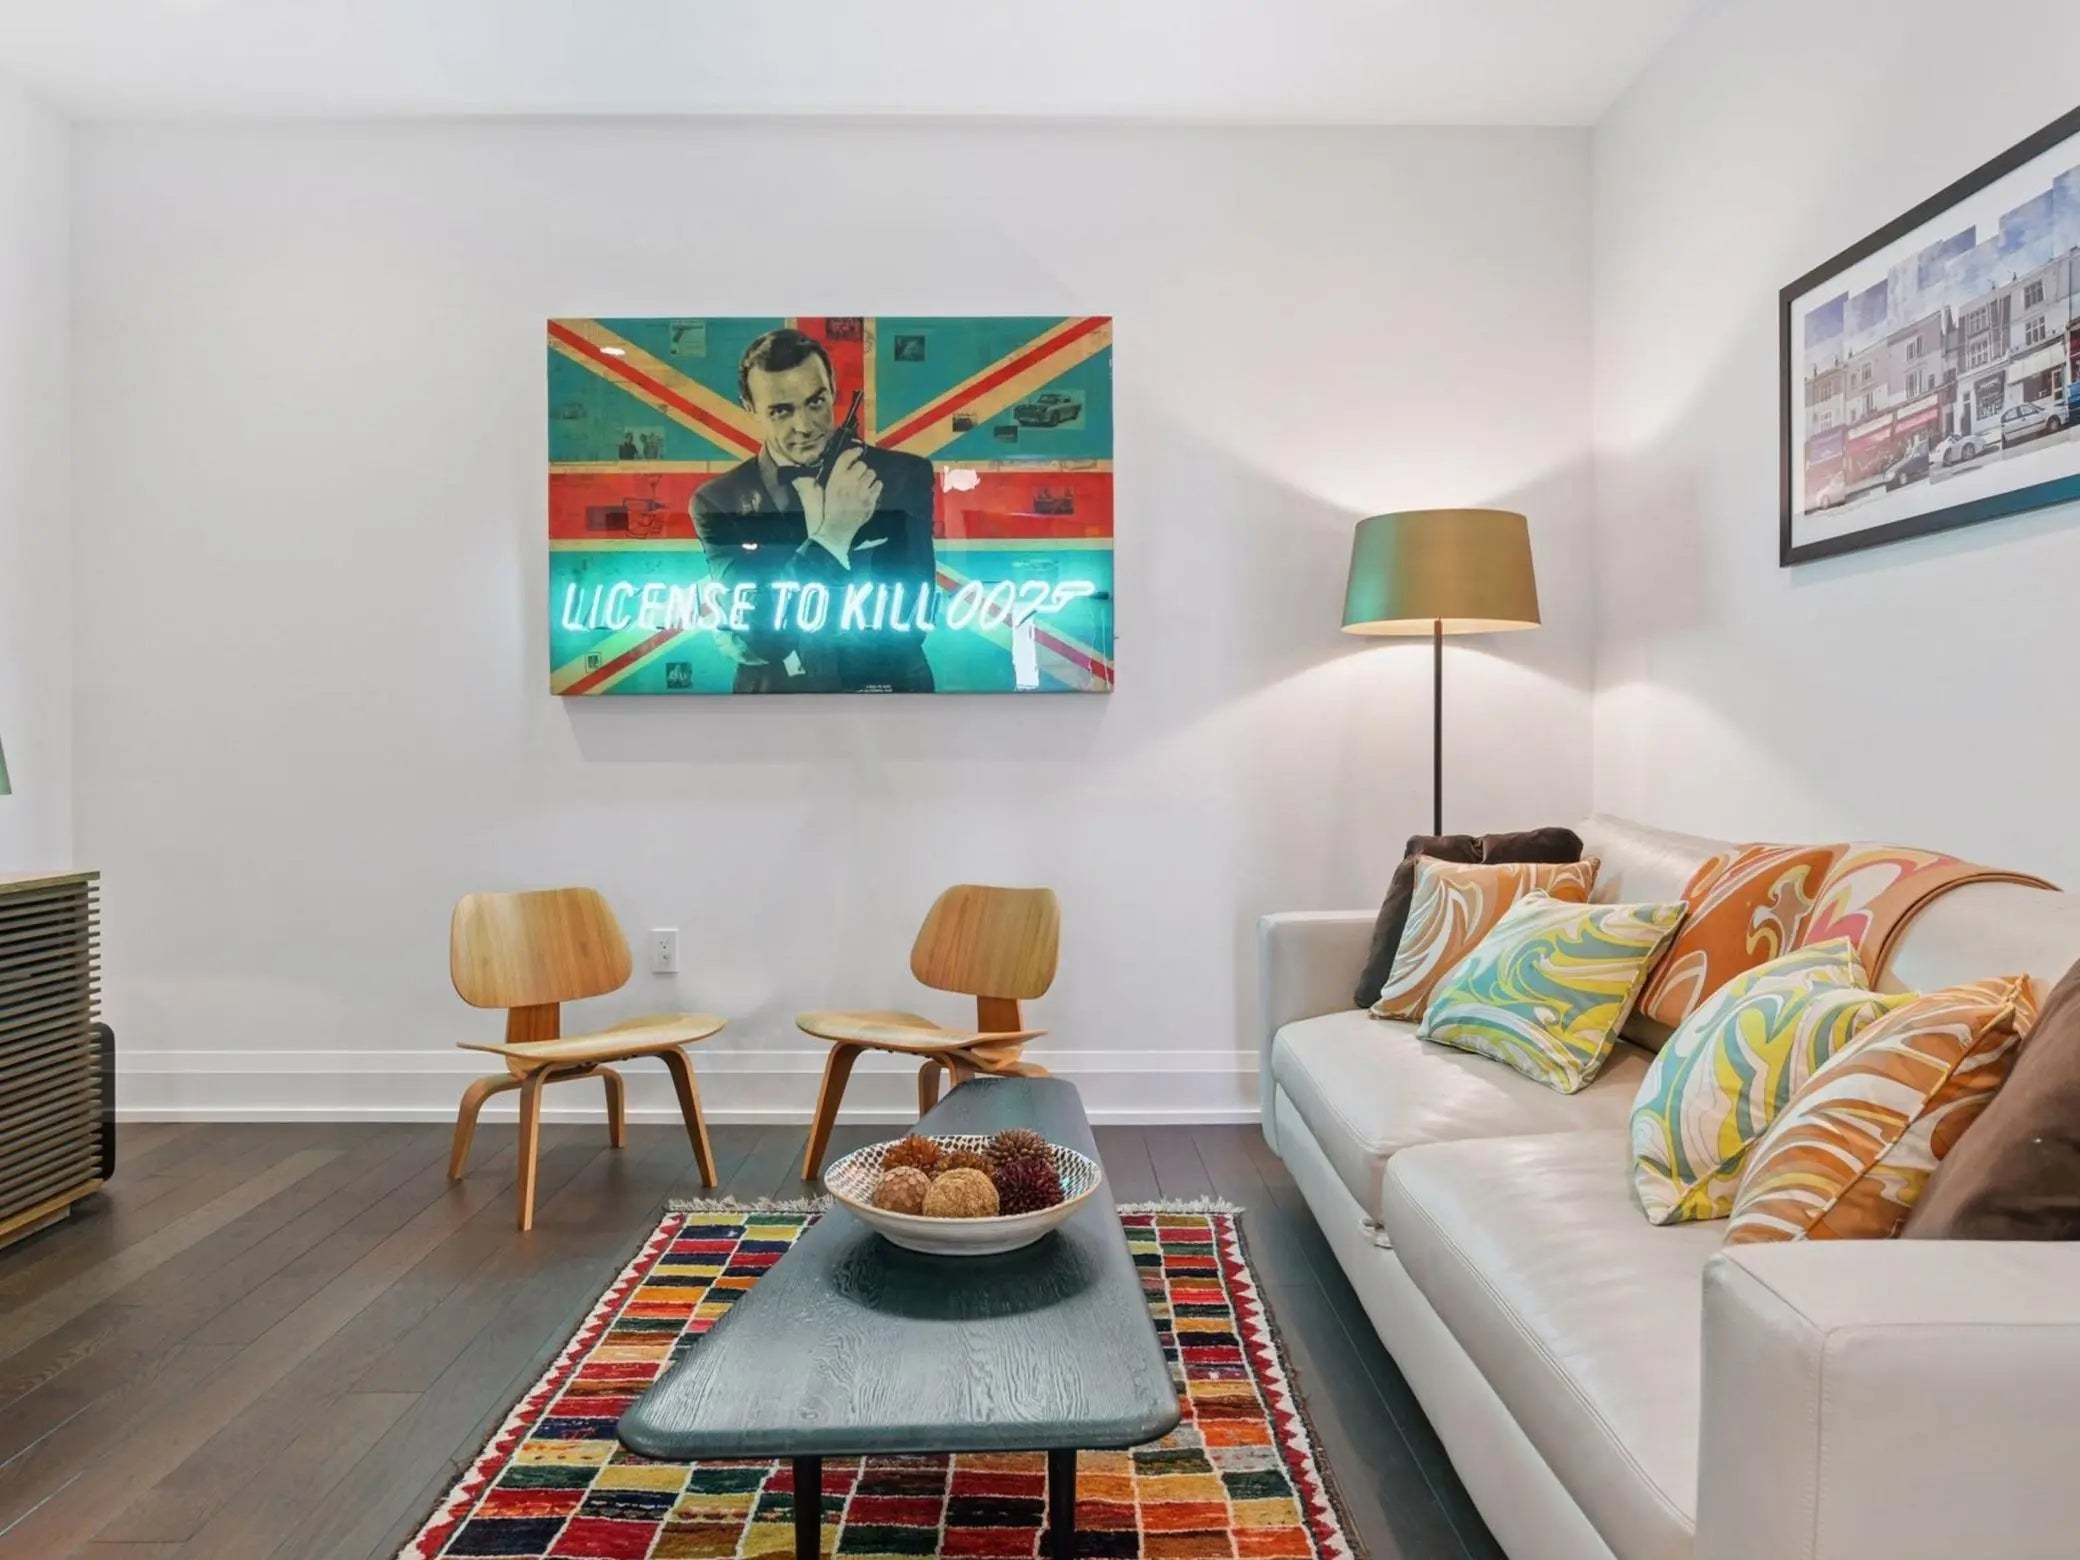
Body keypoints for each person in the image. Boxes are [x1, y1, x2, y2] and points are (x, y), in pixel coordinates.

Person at [692, 329, 937, 692]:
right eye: (781, 411)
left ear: (833, 389)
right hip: (774, 702)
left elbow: (910, 619)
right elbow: (762, 636)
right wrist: (834, 535)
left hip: (885, 694)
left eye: (816, 402)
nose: (805, 426)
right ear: (750, 407)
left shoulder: (902, 475)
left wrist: (774, 623)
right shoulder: (718, 501)